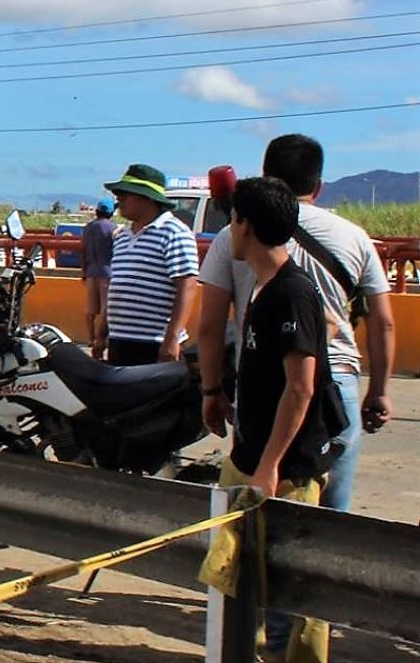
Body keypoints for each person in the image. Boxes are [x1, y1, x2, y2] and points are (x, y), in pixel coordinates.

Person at [197, 135, 394, 512]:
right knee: (331, 522)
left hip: (268, 387)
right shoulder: (354, 236)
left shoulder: (235, 233)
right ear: (318, 187)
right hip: (339, 384)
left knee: (259, 515)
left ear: (265, 176)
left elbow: (208, 326)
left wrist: (211, 390)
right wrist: (380, 390)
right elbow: (382, 323)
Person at [211, 176, 334, 663]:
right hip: (251, 453)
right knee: (245, 579)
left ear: (248, 226)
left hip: (283, 467)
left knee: (295, 585)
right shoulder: (265, 289)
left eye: (232, 219)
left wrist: (270, 467)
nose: (227, 230)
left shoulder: (290, 292)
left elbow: (301, 389)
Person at [95, 163, 197, 366]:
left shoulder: (174, 232)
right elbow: (118, 287)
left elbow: (187, 286)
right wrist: (102, 333)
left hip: (155, 344)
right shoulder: (122, 235)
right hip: (120, 341)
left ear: (147, 198)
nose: (119, 198)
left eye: (126, 193)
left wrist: (172, 339)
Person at [81, 199, 116, 344]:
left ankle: (91, 338)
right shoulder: (113, 228)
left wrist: (84, 271)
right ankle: (103, 339)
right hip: (107, 272)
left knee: (90, 309)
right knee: (105, 308)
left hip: (91, 271)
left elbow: (83, 250)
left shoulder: (88, 228)